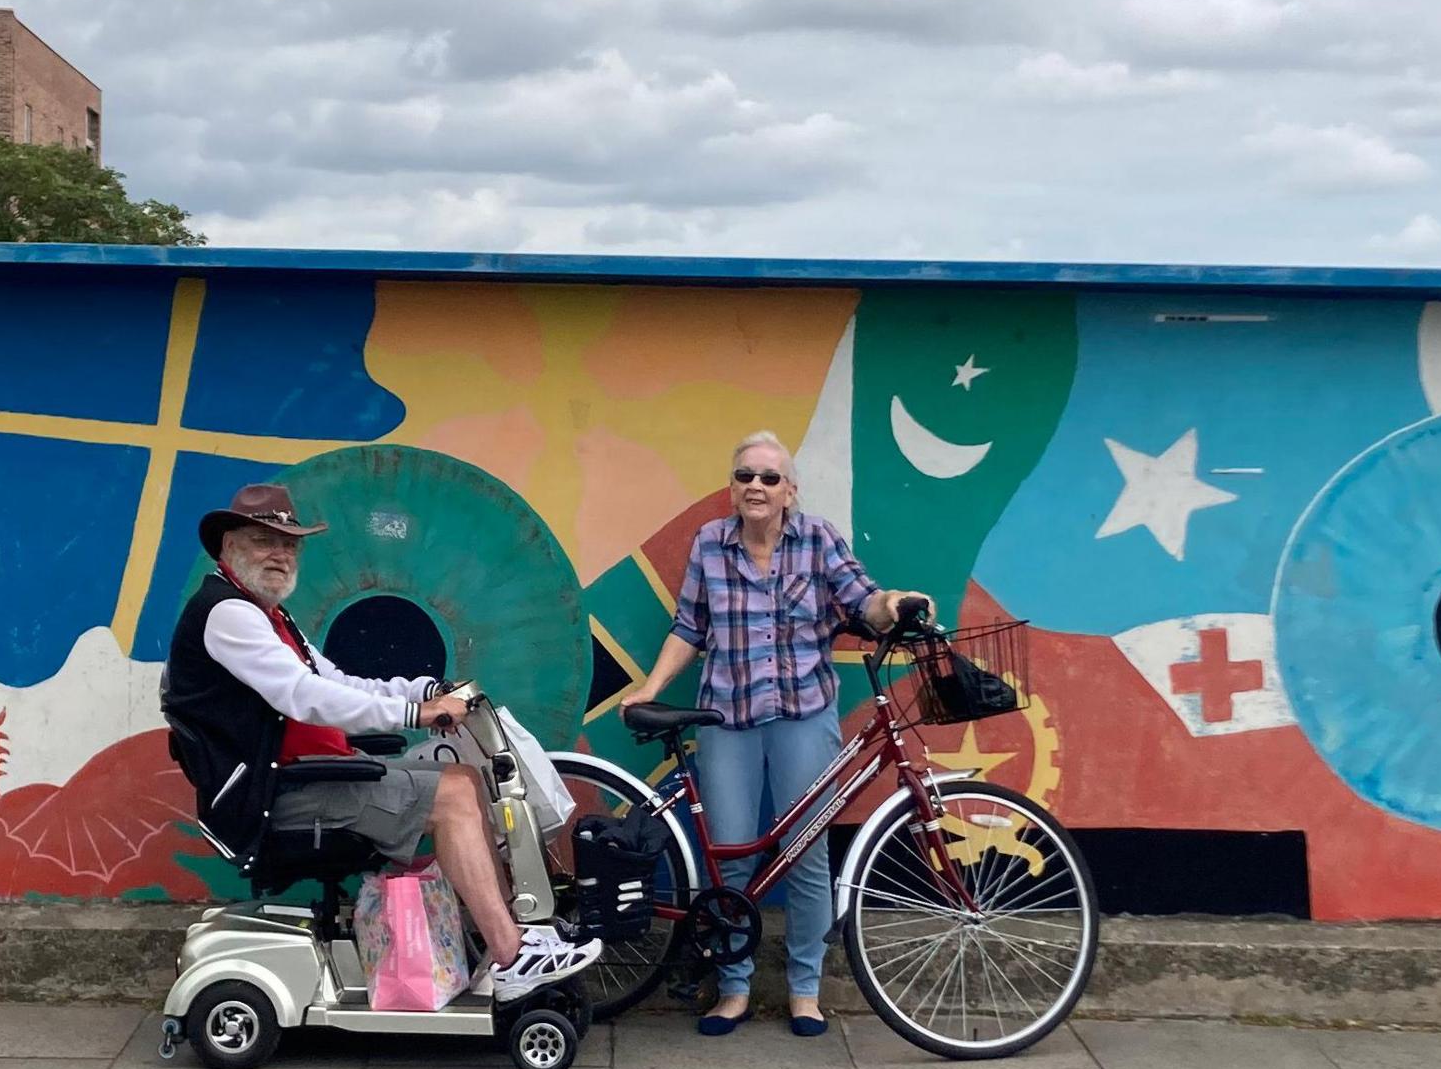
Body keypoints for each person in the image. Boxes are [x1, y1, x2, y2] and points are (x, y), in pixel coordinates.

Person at [162, 482, 599, 1001]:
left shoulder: (269, 615)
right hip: (277, 795)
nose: (280, 553)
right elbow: (303, 697)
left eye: (290, 543)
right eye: (264, 540)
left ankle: (506, 940)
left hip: (310, 775)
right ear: (228, 545)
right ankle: (510, 956)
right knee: (453, 794)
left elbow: (337, 682)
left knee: (464, 779)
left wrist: (421, 689)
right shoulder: (228, 613)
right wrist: (415, 712)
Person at [622, 434, 929, 1037]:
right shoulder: (710, 543)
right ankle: (733, 988)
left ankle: (804, 989)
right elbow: (690, 626)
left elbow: (864, 600)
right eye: (744, 477)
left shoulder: (818, 539)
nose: (755, 487)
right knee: (731, 859)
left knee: (807, 856)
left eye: (769, 477)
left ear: (791, 491)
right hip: (727, 717)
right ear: (732, 488)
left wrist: (896, 603)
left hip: (803, 715)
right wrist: (652, 688)